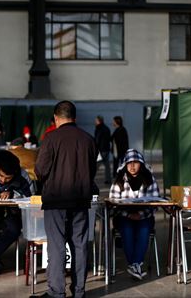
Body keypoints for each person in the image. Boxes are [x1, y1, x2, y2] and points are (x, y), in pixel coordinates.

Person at [35, 101, 97, 298]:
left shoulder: (51, 138)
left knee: (57, 245)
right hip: (81, 200)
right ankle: (79, 292)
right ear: (75, 117)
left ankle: (56, 292)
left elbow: (40, 170)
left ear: (55, 117)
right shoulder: (88, 139)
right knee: (79, 245)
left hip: (56, 200)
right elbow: (92, 170)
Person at [109, 149, 160, 280]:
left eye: (135, 163)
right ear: (125, 165)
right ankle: (136, 265)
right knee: (127, 230)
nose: (132, 166)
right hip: (124, 217)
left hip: (145, 217)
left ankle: (134, 264)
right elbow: (113, 203)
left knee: (144, 229)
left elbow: (155, 202)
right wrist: (128, 214)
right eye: (129, 163)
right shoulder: (119, 180)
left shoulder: (149, 179)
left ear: (141, 164)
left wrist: (141, 214)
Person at [94, 115, 112, 184]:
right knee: (107, 165)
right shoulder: (106, 128)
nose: (95, 122)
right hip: (106, 149)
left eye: (96, 121)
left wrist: (95, 148)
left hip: (101, 150)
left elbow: (97, 140)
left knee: (96, 165)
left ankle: (89, 179)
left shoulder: (99, 129)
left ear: (99, 121)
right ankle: (108, 179)